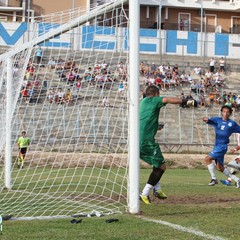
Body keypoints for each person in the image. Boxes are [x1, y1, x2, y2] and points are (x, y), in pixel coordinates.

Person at [139, 85, 196, 204]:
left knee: (157, 165)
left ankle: (157, 189)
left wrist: (156, 126)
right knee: (161, 166)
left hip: (138, 140)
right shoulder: (153, 100)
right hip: (146, 142)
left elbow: (145, 120)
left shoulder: (143, 102)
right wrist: (187, 101)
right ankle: (144, 193)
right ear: (156, 94)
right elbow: (167, 100)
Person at [202, 105, 240, 187]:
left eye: (227, 112)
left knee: (207, 159)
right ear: (221, 112)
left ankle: (214, 179)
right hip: (217, 146)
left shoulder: (232, 124)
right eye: (224, 111)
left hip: (222, 146)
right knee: (219, 168)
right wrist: (205, 119)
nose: (225, 113)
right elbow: (209, 120)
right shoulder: (217, 120)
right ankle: (237, 180)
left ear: (230, 113)